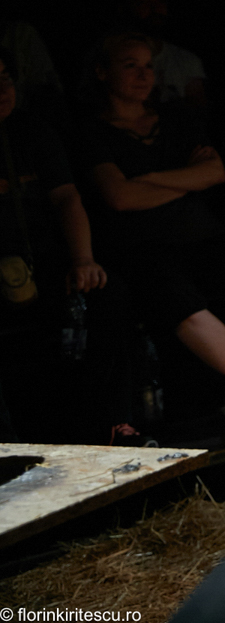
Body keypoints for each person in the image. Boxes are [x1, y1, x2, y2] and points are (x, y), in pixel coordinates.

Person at [81, 34, 225, 434]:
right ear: (103, 72)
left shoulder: (176, 118)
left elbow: (216, 173)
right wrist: (185, 180)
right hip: (142, 247)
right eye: (130, 65)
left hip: (202, 239)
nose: (143, 74)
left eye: (148, 66)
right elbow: (119, 196)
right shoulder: (92, 131)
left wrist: (147, 179)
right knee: (172, 292)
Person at [0, 45, 136, 443]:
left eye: (5, 78)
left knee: (110, 295)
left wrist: (82, 259)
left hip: (44, 260)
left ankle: (112, 424)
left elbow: (66, 197)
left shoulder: (32, 131)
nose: (1, 89)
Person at [122, 0, 208, 107]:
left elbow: (198, 111)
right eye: (143, 2)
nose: (154, 8)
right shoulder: (113, 60)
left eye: (160, 1)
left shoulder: (187, 61)